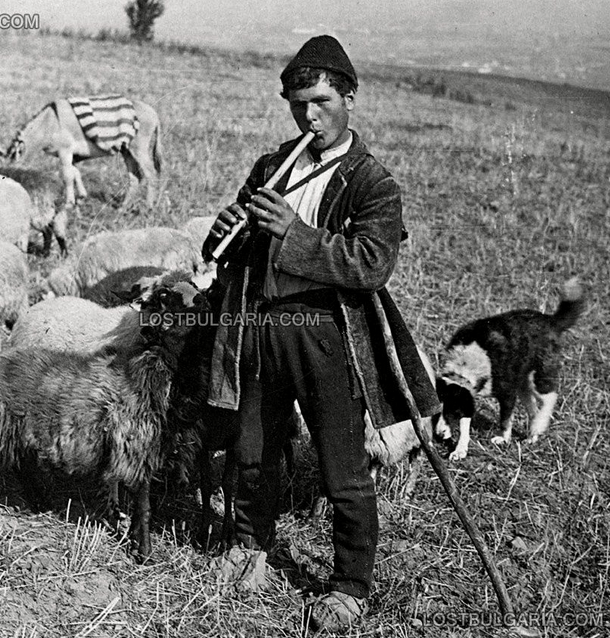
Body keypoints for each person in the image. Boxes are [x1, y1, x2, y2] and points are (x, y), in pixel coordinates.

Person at [201, 35, 440, 632]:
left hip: (327, 335)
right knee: (253, 451)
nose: (308, 116)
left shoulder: (371, 181)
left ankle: (350, 586)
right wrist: (226, 232)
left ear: (349, 99)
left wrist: (293, 233)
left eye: (321, 102)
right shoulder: (271, 166)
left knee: (342, 468)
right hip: (262, 325)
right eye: (297, 104)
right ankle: (250, 547)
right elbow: (229, 256)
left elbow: (370, 263)